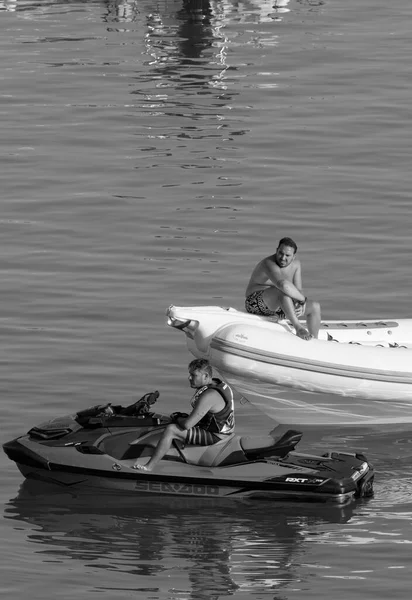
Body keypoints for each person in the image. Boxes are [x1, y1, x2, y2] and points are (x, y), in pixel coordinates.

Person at [133, 358, 235, 472]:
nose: (189, 378)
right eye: (189, 374)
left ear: (206, 376)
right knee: (173, 420)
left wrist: (177, 417)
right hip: (222, 430)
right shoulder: (219, 384)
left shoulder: (209, 395)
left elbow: (187, 425)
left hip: (215, 436)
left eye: (193, 375)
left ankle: (148, 467)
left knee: (171, 430)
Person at [245, 237, 321, 340]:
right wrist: (302, 299)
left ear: (294, 256)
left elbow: (298, 290)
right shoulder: (268, 264)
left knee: (315, 307)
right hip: (255, 302)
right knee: (281, 291)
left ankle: (315, 340)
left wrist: (299, 303)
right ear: (276, 250)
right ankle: (298, 328)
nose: (283, 258)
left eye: (287, 255)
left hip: (281, 303)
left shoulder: (296, 265)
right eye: (280, 253)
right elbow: (283, 285)